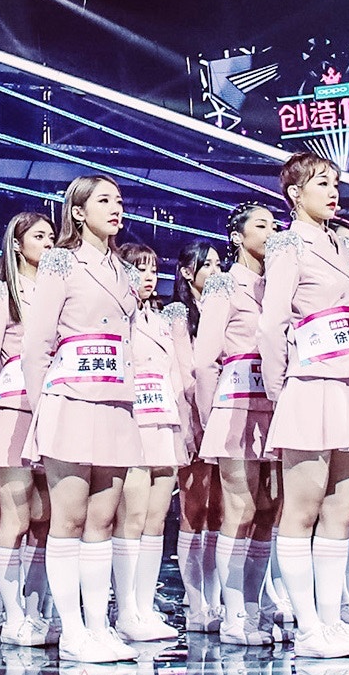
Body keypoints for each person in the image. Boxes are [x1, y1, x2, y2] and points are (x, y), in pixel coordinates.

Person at [256, 153, 349, 658]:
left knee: (342, 508)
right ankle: (308, 626)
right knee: (302, 508)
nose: (333, 192)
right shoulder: (287, 244)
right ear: (295, 193)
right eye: (321, 183)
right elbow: (271, 325)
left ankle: (331, 620)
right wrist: (279, 389)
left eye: (335, 183)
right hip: (311, 383)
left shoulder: (344, 242)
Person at [21, 174, 145, 664]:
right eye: (104, 200)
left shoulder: (123, 270)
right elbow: (36, 343)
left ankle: (99, 625)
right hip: (69, 399)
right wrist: (42, 407)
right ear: (78, 211)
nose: (116, 208)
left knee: (103, 519)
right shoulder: (60, 262)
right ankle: (72, 630)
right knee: (69, 517)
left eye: (119, 200)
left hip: (115, 400)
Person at [192, 204, 281, 646]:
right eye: (261, 225)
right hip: (235, 404)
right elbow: (205, 360)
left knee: (268, 509)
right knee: (240, 508)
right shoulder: (224, 284)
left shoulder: (281, 283)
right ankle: (232, 614)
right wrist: (210, 418)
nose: (270, 232)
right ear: (236, 236)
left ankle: (253, 605)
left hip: (276, 405)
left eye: (274, 225)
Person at [0, 212, 54, 646]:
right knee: (15, 516)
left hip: (56, 406)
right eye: (39, 236)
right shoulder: (0, 293)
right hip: (15, 407)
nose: (48, 243)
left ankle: (36, 610)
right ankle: (12, 614)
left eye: (52, 236)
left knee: (47, 518)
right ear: (17, 244)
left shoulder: (61, 288)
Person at [116, 243, 190, 641]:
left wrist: (186, 427)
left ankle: (144, 607)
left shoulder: (160, 320)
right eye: (139, 268)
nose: (148, 276)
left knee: (156, 519)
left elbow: (176, 375)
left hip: (165, 422)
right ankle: (125, 609)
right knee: (132, 516)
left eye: (152, 268)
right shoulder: (117, 318)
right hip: (133, 423)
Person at [169, 239, 224, 633]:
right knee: (194, 509)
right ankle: (195, 601)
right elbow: (186, 372)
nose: (216, 271)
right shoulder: (178, 315)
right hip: (193, 416)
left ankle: (216, 599)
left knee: (221, 510)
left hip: (227, 411)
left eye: (220, 264)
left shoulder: (227, 305)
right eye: (208, 265)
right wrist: (194, 424)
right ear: (188, 272)